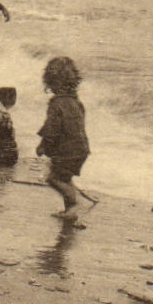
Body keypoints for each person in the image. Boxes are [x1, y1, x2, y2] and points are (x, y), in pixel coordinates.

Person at [37, 57, 98, 212]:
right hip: (81, 149)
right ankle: (69, 208)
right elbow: (77, 126)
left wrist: (43, 145)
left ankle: (74, 205)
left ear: (51, 82)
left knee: (53, 178)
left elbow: (52, 127)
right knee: (64, 178)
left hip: (67, 151)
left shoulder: (56, 103)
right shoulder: (77, 102)